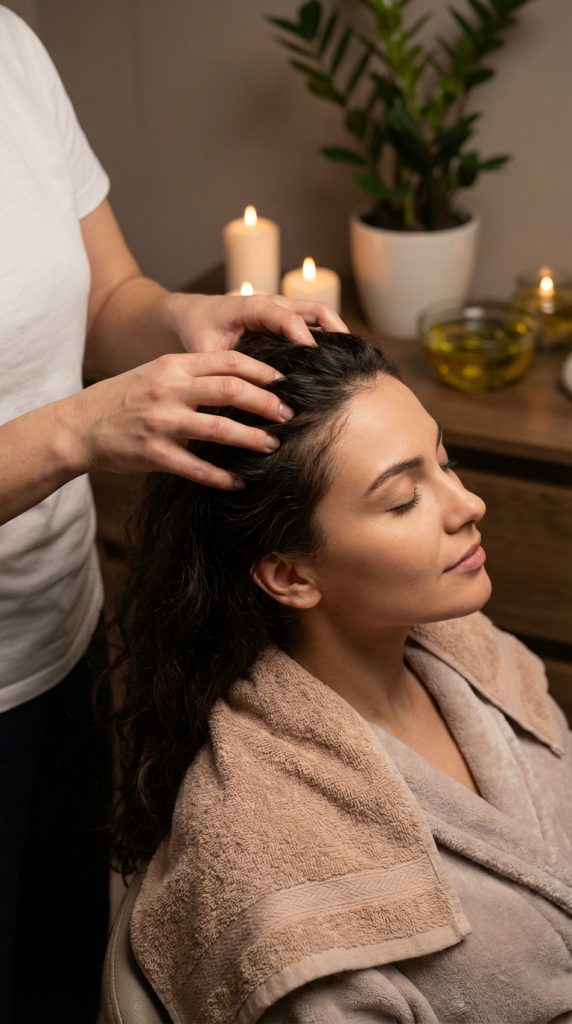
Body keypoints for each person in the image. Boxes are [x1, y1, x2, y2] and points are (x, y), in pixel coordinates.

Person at [0, 8, 346, 1022]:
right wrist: (76, 430)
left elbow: (108, 292)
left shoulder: (9, 43)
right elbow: (74, 413)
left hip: (60, 638)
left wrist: (183, 320)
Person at [115, 330, 572, 1024]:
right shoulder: (264, 855)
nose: (467, 505)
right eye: (403, 499)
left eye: (445, 464)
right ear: (291, 574)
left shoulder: (471, 652)